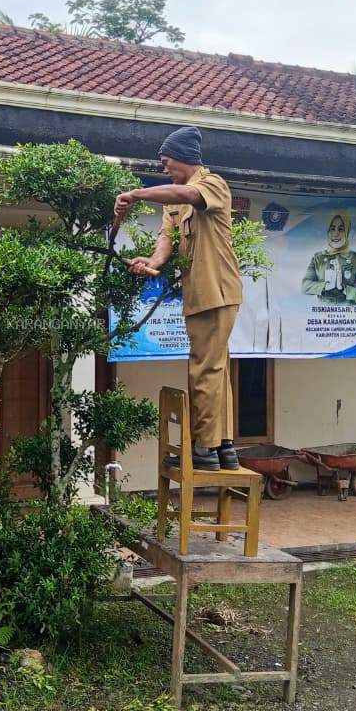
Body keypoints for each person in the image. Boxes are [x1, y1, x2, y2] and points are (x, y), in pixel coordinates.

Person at [114, 126, 242, 471]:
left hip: (216, 290)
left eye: (167, 161)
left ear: (184, 159)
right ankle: (222, 448)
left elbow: (185, 194)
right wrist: (152, 263)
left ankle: (204, 450)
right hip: (200, 293)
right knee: (215, 368)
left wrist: (136, 194)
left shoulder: (212, 184)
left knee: (204, 370)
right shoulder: (173, 201)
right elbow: (166, 237)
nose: (164, 167)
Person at [301, 212, 356, 304]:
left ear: (347, 231)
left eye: (341, 229)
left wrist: (345, 289)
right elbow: (305, 287)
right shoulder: (318, 258)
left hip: (349, 315)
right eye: (332, 229)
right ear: (328, 231)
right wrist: (325, 286)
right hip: (321, 315)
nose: (335, 234)